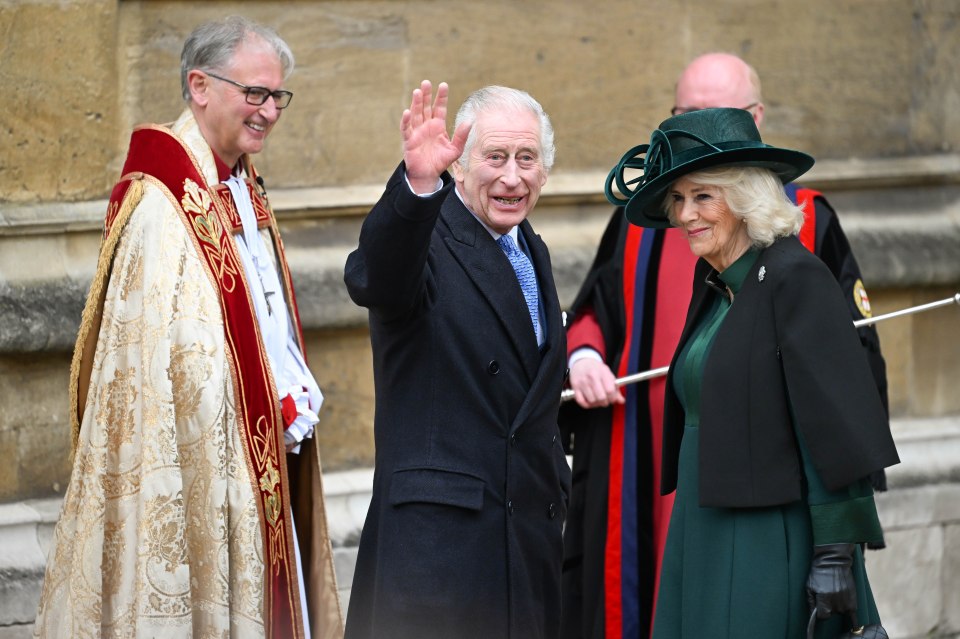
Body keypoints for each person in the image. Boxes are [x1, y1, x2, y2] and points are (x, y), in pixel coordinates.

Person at [558, 52, 890, 639]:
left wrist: (837, 551)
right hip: (701, 527)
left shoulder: (796, 275)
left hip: (764, 536)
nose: (684, 215)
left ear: (742, 197)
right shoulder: (714, 282)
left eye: (702, 197)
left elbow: (834, 419)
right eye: (677, 199)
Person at [33, 16, 343, 638]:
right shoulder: (162, 209)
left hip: (259, 454)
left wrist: (291, 385)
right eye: (254, 93)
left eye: (277, 96)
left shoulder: (238, 184)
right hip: (200, 462)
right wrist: (263, 400)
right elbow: (169, 360)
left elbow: (265, 310)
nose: (269, 112)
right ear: (199, 86)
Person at [343, 80, 570, 639]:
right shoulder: (430, 236)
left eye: (527, 159)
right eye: (494, 157)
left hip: (523, 544)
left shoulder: (528, 247)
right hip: (441, 554)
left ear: (545, 171)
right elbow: (376, 275)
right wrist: (418, 185)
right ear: (460, 166)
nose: (512, 177)